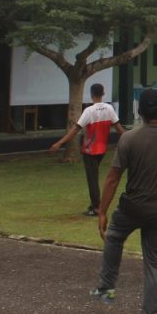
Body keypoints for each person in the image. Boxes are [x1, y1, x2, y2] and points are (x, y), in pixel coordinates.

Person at [93, 88, 157, 314]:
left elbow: (113, 178)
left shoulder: (129, 138)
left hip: (132, 208)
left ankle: (107, 287)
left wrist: (102, 211)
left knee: (114, 236)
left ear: (140, 112)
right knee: (156, 265)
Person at [49, 83, 126, 216]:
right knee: (94, 176)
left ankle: (96, 207)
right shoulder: (109, 108)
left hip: (90, 150)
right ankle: (94, 205)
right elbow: (119, 129)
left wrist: (59, 143)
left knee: (92, 179)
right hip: (102, 150)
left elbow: (75, 130)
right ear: (103, 93)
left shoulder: (89, 111)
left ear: (91, 94)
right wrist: (130, 141)